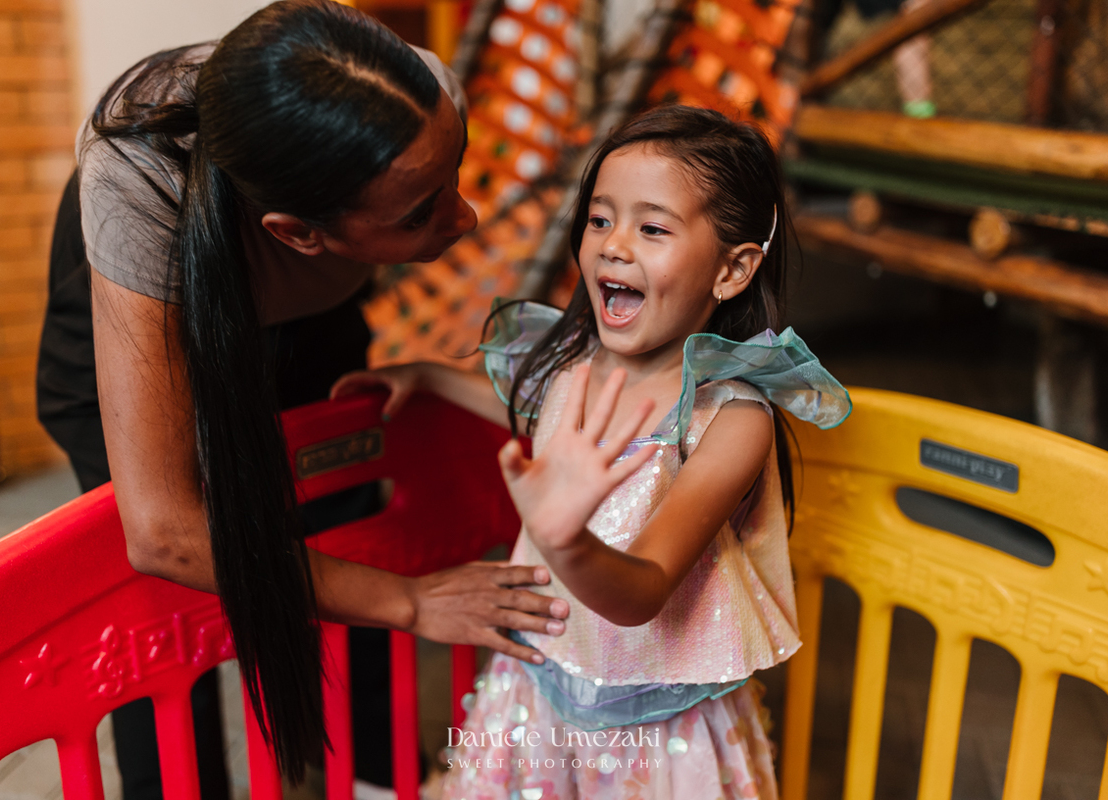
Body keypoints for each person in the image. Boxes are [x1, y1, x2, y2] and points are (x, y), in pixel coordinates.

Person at [35, 1, 570, 795]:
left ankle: (380, 774)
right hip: (137, 333)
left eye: (451, 176)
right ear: (295, 233)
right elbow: (166, 534)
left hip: (308, 325)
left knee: (346, 530)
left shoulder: (415, 92)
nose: (466, 216)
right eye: (423, 212)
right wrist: (411, 602)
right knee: (162, 606)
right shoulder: (140, 185)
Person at [332, 105, 852, 798]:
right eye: (601, 218)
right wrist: (425, 375)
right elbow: (534, 409)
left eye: (653, 227)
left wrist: (564, 541)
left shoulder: (733, 420)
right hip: (538, 685)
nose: (612, 243)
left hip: (660, 727)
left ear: (732, 269)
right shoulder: (573, 362)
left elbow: (642, 590)